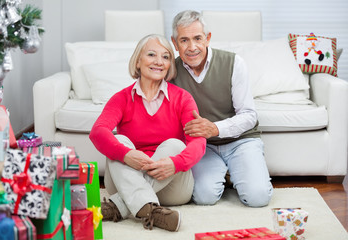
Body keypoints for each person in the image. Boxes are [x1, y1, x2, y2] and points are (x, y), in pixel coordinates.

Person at [89, 34, 206, 232]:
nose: (159, 62)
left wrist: (174, 163)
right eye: (151, 54)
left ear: (170, 64)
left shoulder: (183, 99)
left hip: (172, 187)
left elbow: (198, 143)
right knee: (119, 140)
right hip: (125, 180)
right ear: (138, 60)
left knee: (175, 146)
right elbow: (98, 132)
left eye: (166, 57)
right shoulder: (122, 98)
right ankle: (153, 211)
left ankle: (118, 206)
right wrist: (125, 154)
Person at [170, 10, 273, 207]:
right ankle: (225, 173)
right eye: (184, 40)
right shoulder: (171, 71)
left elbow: (249, 115)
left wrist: (215, 128)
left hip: (240, 140)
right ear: (175, 44)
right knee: (203, 197)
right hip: (202, 146)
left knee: (258, 197)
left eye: (197, 38)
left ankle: (239, 171)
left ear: (207, 38)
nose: (192, 47)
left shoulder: (233, 63)